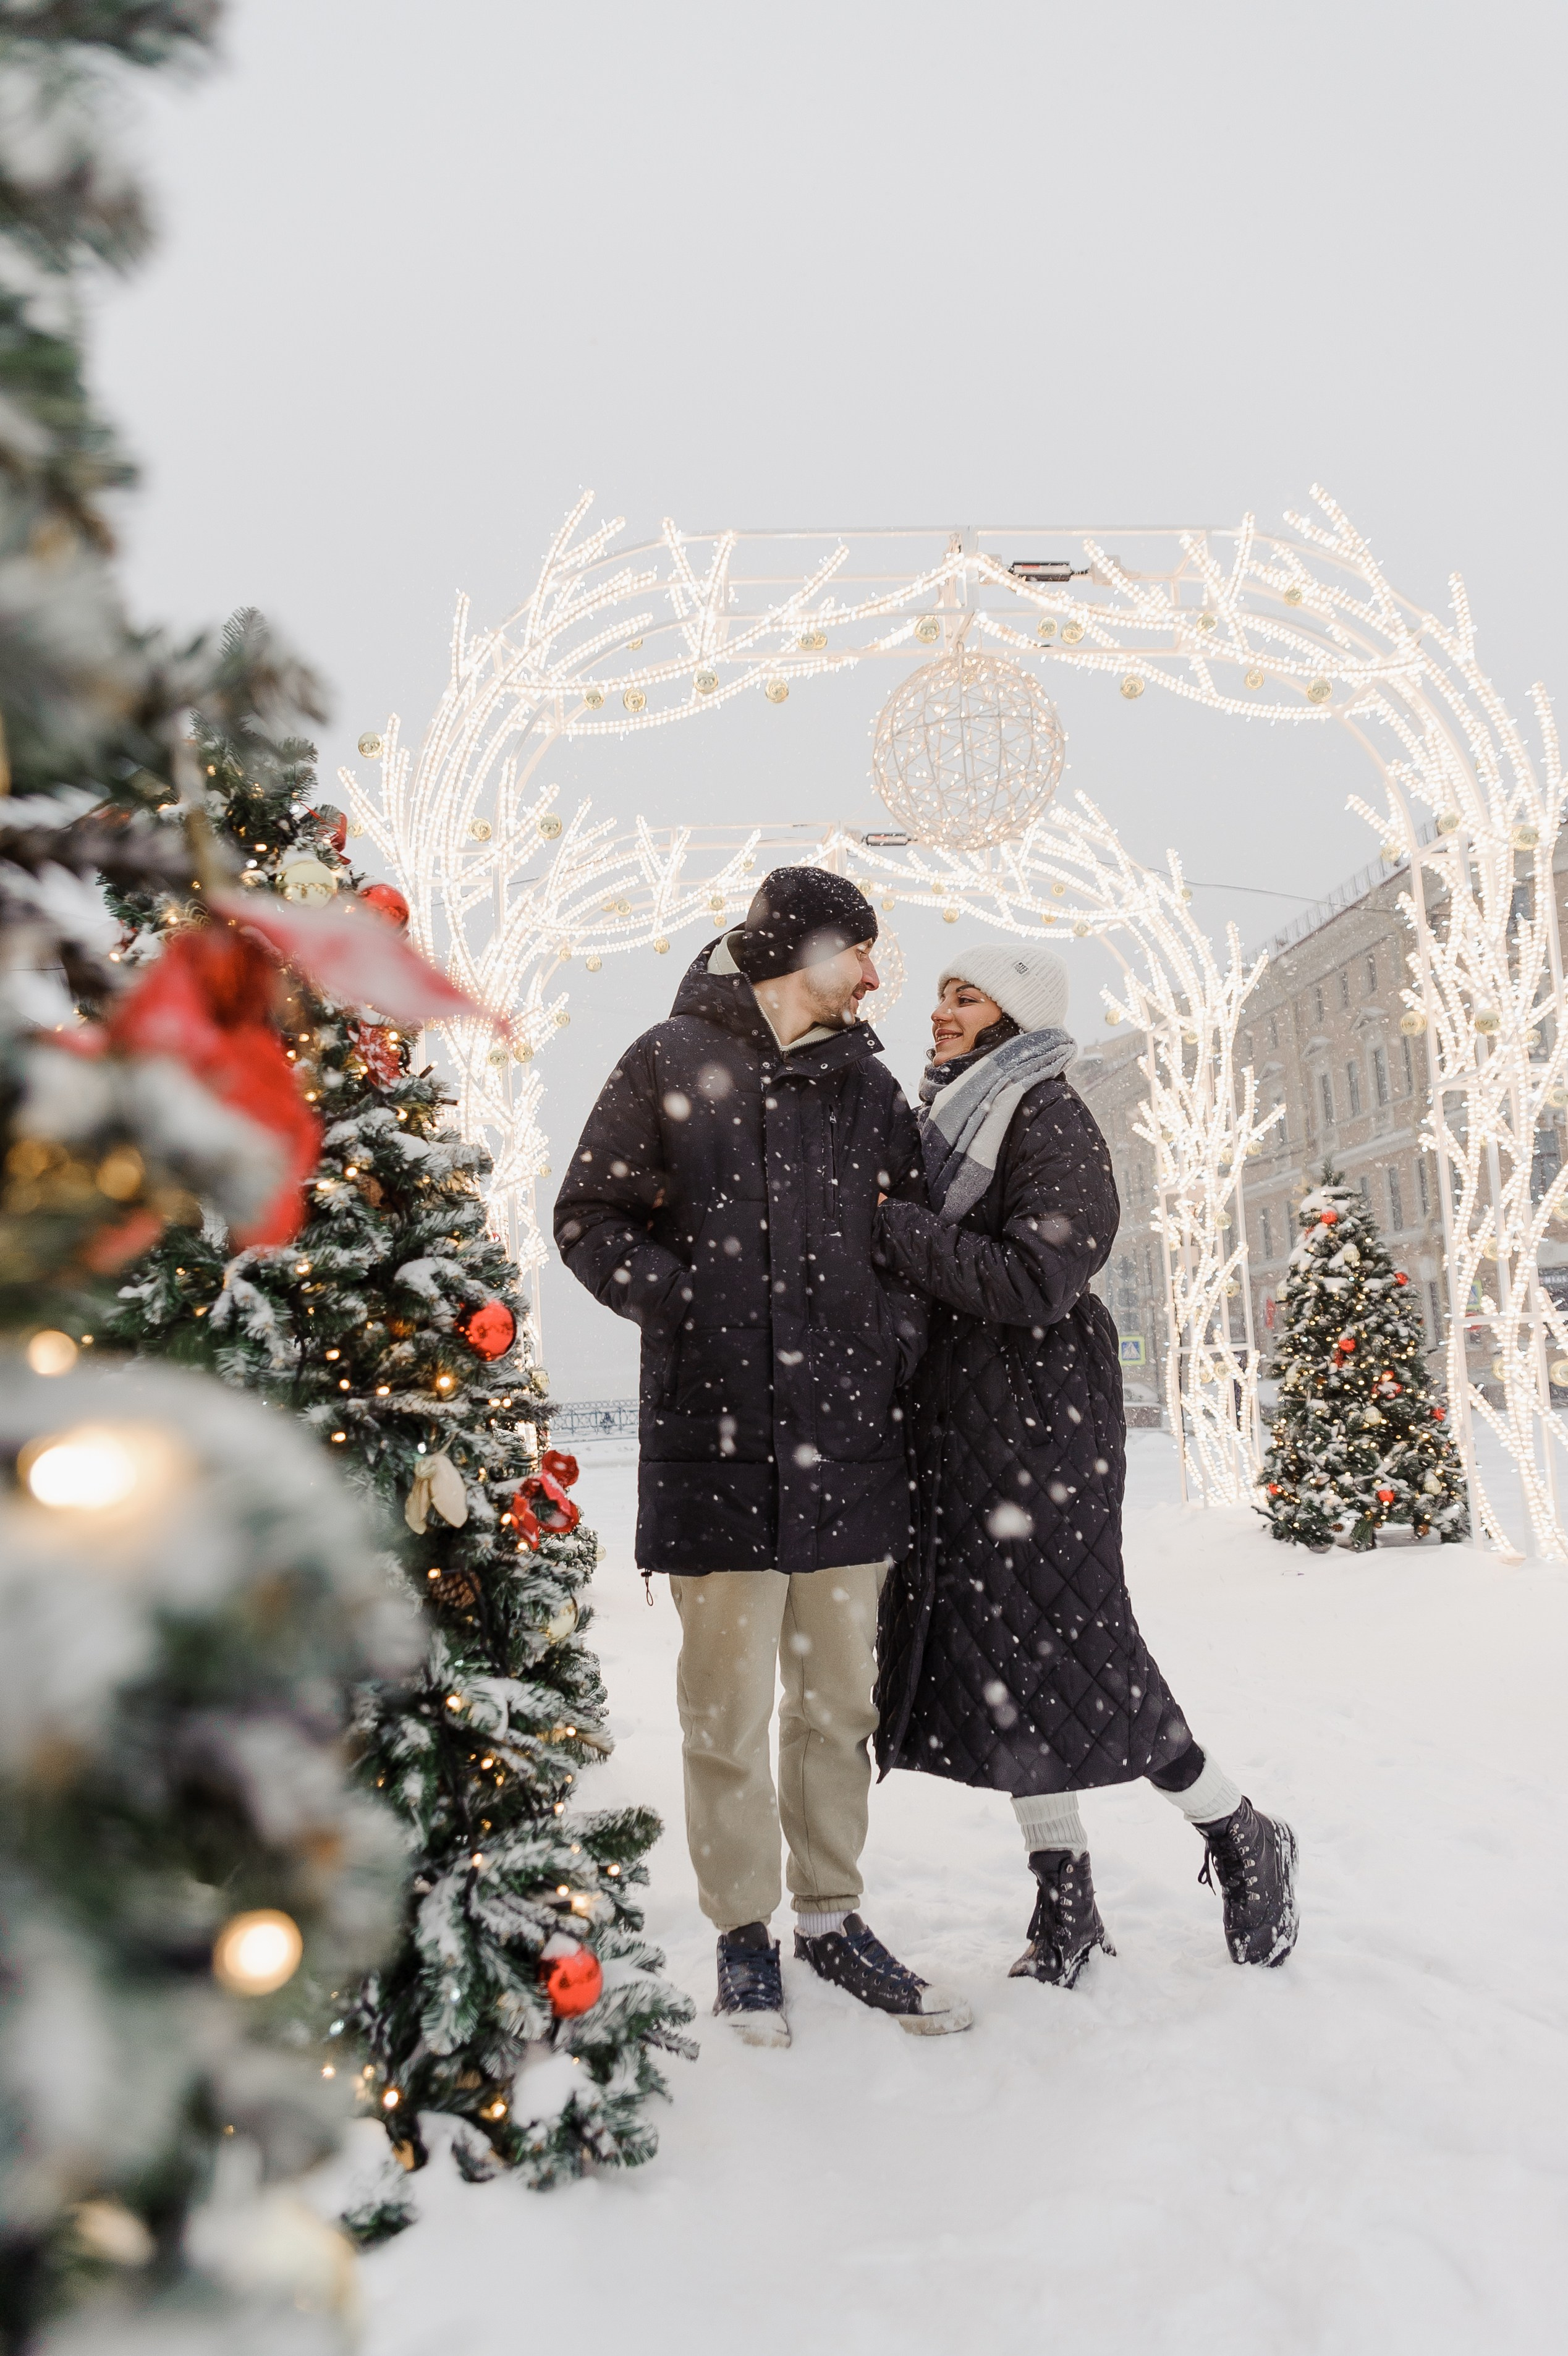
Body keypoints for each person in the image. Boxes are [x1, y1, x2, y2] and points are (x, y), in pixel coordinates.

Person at [554, 868, 972, 2045]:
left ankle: (831, 1920)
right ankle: (743, 1936)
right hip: (713, 1447)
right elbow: (588, 1215)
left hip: (849, 1452)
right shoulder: (668, 1060)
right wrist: (691, 1307)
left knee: (837, 1709)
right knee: (722, 1714)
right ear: (802, 950)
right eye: (864, 955)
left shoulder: (869, 1090)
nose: (880, 978)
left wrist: (881, 1346)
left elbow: (913, 1245)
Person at [873, 942, 1298, 1985]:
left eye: (963, 996)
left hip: (1036, 1417)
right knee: (1004, 1661)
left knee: (1078, 1648)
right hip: (961, 1419)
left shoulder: (1043, 1110)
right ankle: (1064, 1900)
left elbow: (1039, 1277)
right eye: (940, 995)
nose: (941, 1012)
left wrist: (894, 1229)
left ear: (1013, 1015)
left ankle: (1238, 1829)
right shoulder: (950, 1116)